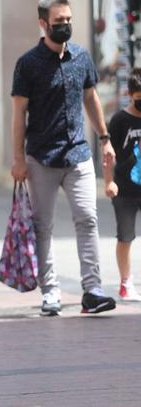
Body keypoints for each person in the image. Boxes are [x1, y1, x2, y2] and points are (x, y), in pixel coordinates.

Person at [11, 0, 117, 316]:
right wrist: (17, 158)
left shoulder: (82, 56)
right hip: (41, 157)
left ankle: (93, 289)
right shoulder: (28, 64)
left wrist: (105, 138)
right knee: (43, 226)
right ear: (43, 24)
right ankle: (51, 292)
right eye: (59, 22)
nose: (66, 26)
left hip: (79, 155)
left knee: (88, 219)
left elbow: (91, 98)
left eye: (69, 19)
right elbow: (19, 114)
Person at [103, 68, 141, 302]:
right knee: (125, 236)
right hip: (125, 189)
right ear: (130, 93)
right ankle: (126, 282)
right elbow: (108, 154)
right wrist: (108, 181)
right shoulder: (119, 120)